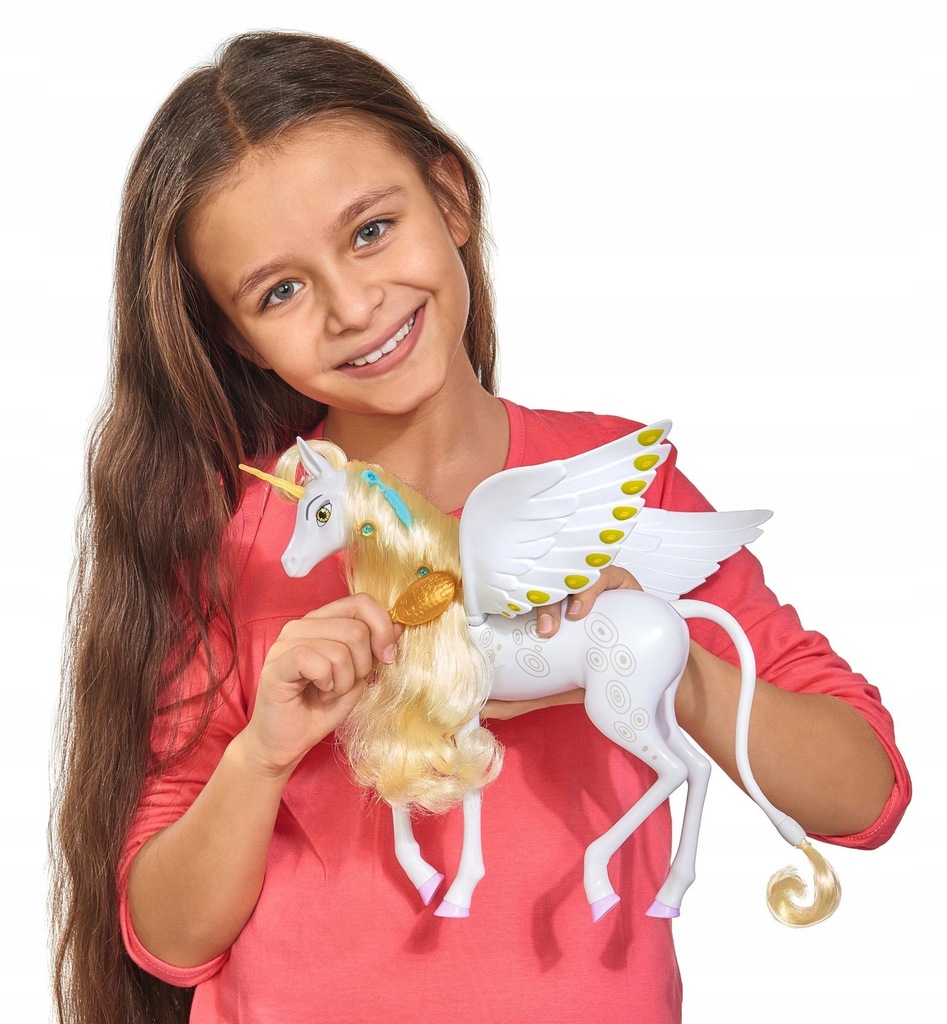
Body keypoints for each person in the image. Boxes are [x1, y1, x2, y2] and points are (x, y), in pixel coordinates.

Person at [50, 29, 910, 1024]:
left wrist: (668, 657)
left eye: (371, 230)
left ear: (449, 198)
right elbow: (168, 938)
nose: (352, 304)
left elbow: (864, 796)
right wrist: (263, 754)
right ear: (236, 337)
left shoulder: (619, 483)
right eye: (280, 291)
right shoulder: (233, 543)